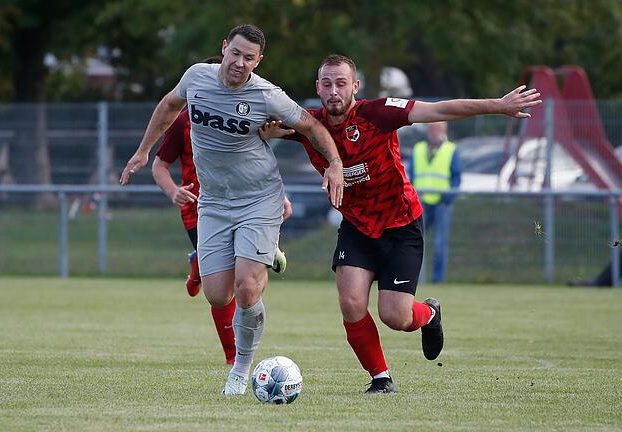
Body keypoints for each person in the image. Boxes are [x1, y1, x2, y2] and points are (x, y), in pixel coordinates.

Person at [283, 54, 541, 393]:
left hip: (400, 224)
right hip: (357, 227)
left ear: (355, 87)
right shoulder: (307, 126)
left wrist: (499, 104)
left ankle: (429, 315)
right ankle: (380, 379)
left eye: (341, 83)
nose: (333, 91)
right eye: (327, 84)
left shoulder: (378, 113)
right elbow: (257, 121)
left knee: (395, 317)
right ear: (317, 87)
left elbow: (439, 110)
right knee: (350, 303)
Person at [120, 24, 344, 396]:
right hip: (214, 202)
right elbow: (168, 105)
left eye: (249, 58)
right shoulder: (196, 76)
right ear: (224, 48)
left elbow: (311, 126)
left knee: (245, 289)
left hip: (259, 199)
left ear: (258, 61)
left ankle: (240, 370)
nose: (240, 63)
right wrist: (144, 151)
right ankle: (263, 251)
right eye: (235, 53)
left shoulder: (267, 95)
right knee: (216, 295)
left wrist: (334, 161)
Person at [152, 91, 292, 365]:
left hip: (246, 205)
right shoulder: (185, 121)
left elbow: (258, 164)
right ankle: (231, 354)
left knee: (242, 282)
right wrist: (173, 192)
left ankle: (235, 359)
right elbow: (160, 166)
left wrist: (279, 197)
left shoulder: (243, 116)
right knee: (219, 290)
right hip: (201, 210)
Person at [409, 121, 461, 283]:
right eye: (432, 128)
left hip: (441, 203)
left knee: (440, 244)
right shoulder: (418, 149)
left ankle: (438, 280)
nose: (434, 132)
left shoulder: (451, 149)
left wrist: (448, 198)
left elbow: (456, 176)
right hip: (421, 203)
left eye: (438, 129)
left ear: (444, 131)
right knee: (415, 242)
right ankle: (413, 278)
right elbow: (411, 175)